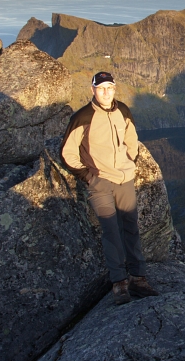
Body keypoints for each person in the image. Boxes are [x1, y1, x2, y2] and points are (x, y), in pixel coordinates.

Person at [61, 71, 159, 305]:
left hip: (124, 179)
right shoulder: (83, 117)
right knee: (111, 231)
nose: (106, 92)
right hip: (100, 181)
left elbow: (131, 139)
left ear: (114, 89)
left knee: (131, 228)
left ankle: (138, 278)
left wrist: (129, 162)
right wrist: (89, 177)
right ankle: (120, 284)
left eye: (110, 88)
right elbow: (67, 153)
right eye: (101, 88)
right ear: (92, 90)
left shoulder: (123, 110)